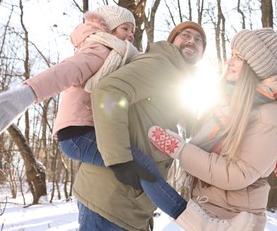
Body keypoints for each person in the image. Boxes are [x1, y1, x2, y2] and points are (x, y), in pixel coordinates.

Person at [147, 28, 277, 231]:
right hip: (206, 212)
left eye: (238, 57)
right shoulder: (230, 104)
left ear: (254, 67)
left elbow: (238, 174)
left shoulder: (269, 115)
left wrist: (181, 150)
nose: (229, 62)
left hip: (235, 221)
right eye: (231, 54)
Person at [72, 21, 211, 231]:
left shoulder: (177, 79)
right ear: (172, 41)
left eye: (199, 39)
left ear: (202, 52)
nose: (192, 40)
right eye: (186, 35)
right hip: (111, 202)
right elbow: (108, 91)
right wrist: (119, 160)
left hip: (127, 207)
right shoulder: (161, 64)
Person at [0, 5, 138, 165]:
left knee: (117, 179)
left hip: (91, 129)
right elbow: (67, 71)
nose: (131, 35)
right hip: (80, 130)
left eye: (133, 31)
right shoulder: (100, 50)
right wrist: (29, 93)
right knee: (141, 165)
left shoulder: (119, 56)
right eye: (125, 28)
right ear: (109, 29)